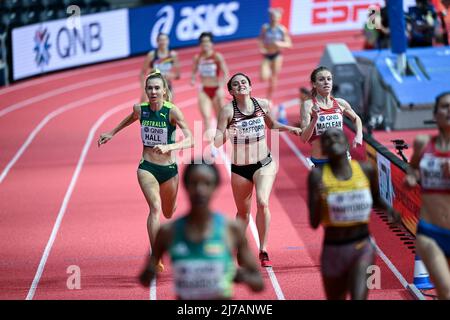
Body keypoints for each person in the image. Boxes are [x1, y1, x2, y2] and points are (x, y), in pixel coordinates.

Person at [98, 71, 193, 272]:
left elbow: (191, 139)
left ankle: (170, 216)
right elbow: (130, 118)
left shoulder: (172, 111)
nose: (153, 91)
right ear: (145, 90)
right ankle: (156, 254)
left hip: (169, 169)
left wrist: (170, 147)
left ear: (164, 91)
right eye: (149, 88)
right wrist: (111, 133)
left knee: (168, 212)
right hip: (147, 167)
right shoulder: (140, 110)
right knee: (155, 208)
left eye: (157, 88)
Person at [139, 160, 265, 300]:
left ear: (215, 187)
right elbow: (145, 278)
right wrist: (149, 273)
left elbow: (259, 284)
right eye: (194, 183)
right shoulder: (168, 232)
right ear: (186, 186)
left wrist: (242, 276)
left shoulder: (231, 229)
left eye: (207, 183)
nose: (200, 190)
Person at [214, 73, 302, 267]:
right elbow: (216, 141)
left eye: (244, 82)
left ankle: (263, 249)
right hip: (240, 169)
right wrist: (230, 131)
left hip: (264, 163)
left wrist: (291, 129)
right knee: (243, 213)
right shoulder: (227, 111)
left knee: (262, 202)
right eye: (235, 85)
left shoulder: (262, 104)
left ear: (250, 86)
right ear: (231, 91)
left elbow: (272, 125)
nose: (240, 86)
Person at [308, 128, 400, 300]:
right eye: (327, 139)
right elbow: (313, 223)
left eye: (337, 136)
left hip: (362, 247)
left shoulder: (366, 170)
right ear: (323, 149)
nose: (333, 140)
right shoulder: (317, 176)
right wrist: (317, 198)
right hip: (333, 249)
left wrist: (391, 211)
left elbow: (377, 200)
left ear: (347, 143)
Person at [404, 92, 450, 300]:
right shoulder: (423, 143)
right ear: (435, 114)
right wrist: (412, 177)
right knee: (446, 289)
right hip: (431, 232)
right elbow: (412, 168)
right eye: (445, 106)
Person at [300, 66, 363, 168]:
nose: (326, 82)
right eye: (321, 79)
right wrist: (315, 119)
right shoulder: (308, 105)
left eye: (329, 79)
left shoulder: (340, 103)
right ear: (314, 84)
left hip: (341, 158)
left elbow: (356, 119)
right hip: (320, 161)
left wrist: (359, 136)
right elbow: (304, 138)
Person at [191, 32, 229, 154]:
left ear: (211, 43)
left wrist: (221, 87)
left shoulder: (217, 56)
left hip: (216, 89)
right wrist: (192, 79)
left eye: (207, 41)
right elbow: (193, 71)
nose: (205, 44)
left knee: (220, 118)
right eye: (203, 42)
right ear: (200, 44)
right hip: (204, 91)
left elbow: (226, 73)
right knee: (207, 117)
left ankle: (221, 139)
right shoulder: (198, 58)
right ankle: (212, 146)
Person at [258, 8, 292, 102]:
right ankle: (268, 73)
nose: (274, 19)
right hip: (267, 56)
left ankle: (269, 98)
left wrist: (279, 44)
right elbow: (260, 39)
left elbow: (289, 44)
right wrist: (261, 48)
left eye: (276, 18)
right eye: (273, 17)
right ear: (270, 17)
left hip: (277, 56)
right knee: (263, 77)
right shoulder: (265, 28)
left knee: (273, 79)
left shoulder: (282, 29)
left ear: (280, 18)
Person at [139, 32, 180, 103]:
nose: (163, 42)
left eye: (165, 40)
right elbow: (142, 73)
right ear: (157, 42)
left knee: (170, 110)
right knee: (145, 108)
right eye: (161, 40)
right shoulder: (152, 55)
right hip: (153, 87)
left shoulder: (172, 55)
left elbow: (177, 75)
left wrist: (170, 75)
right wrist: (144, 89)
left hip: (166, 87)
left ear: (168, 41)